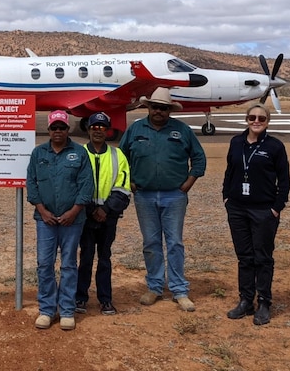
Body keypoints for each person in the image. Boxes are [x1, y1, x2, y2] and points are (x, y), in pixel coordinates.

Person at [119, 87, 206, 312]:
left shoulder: (182, 130)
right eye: (155, 107)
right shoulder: (136, 129)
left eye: (164, 108)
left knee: (175, 242)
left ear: (169, 111)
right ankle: (155, 287)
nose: (159, 111)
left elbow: (198, 158)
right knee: (151, 242)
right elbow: (121, 158)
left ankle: (179, 290)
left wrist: (188, 183)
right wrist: (129, 182)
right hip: (144, 195)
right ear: (148, 107)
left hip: (174, 195)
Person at [222, 103, 290, 325]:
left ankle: (264, 302)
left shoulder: (275, 146)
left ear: (268, 121)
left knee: (263, 257)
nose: (256, 121)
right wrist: (226, 197)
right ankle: (245, 301)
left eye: (261, 118)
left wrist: (276, 207)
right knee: (244, 257)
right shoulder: (236, 142)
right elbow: (229, 171)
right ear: (246, 119)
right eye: (252, 117)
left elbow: (284, 179)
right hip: (237, 208)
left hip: (264, 210)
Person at [26, 110, 93, 331]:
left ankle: (66, 310)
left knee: (68, 265)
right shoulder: (38, 153)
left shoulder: (79, 153)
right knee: (44, 264)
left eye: (62, 128)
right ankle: (46, 309)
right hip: (45, 220)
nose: (57, 131)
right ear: (49, 130)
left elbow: (86, 185)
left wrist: (74, 212)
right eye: (54, 127)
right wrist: (42, 210)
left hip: (72, 221)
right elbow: (32, 183)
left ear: (68, 129)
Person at [76, 112, 131, 316]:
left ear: (108, 130)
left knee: (105, 257)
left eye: (102, 127)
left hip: (109, 217)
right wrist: (91, 210)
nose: (98, 130)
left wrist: (106, 209)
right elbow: (76, 185)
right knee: (86, 257)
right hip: (86, 216)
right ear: (88, 129)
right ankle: (80, 297)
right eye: (94, 127)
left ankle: (106, 299)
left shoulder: (118, 156)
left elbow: (123, 187)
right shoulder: (80, 154)